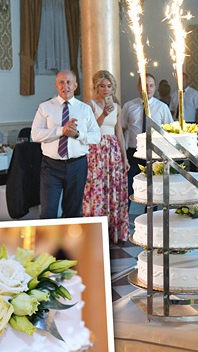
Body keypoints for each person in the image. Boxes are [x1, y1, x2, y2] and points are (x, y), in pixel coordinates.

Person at [31, 70, 100, 219]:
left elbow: (96, 137)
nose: (65, 86)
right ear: (56, 85)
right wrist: (61, 131)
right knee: (48, 211)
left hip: (77, 165)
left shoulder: (85, 109)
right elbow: (35, 135)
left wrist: (77, 134)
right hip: (51, 166)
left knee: (73, 212)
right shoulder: (45, 107)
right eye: (61, 82)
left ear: (75, 86)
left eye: (69, 82)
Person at [81, 70, 130, 242]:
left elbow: (120, 134)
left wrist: (125, 158)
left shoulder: (117, 107)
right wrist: (103, 115)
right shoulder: (89, 105)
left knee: (113, 188)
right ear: (96, 87)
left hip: (113, 150)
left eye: (109, 86)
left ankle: (113, 230)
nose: (106, 89)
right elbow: (89, 130)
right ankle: (95, 231)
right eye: (102, 86)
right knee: (96, 188)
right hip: (96, 149)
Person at [122, 72, 176, 175]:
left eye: (151, 86)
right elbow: (121, 129)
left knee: (155, 182)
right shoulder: (129, 106)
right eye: (145, 85)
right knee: (133, 181)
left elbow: (170, 130)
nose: (148, 89)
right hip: (134, 152)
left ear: (155, 87)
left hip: (155, 152)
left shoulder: (162, 107)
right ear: (138, 87)